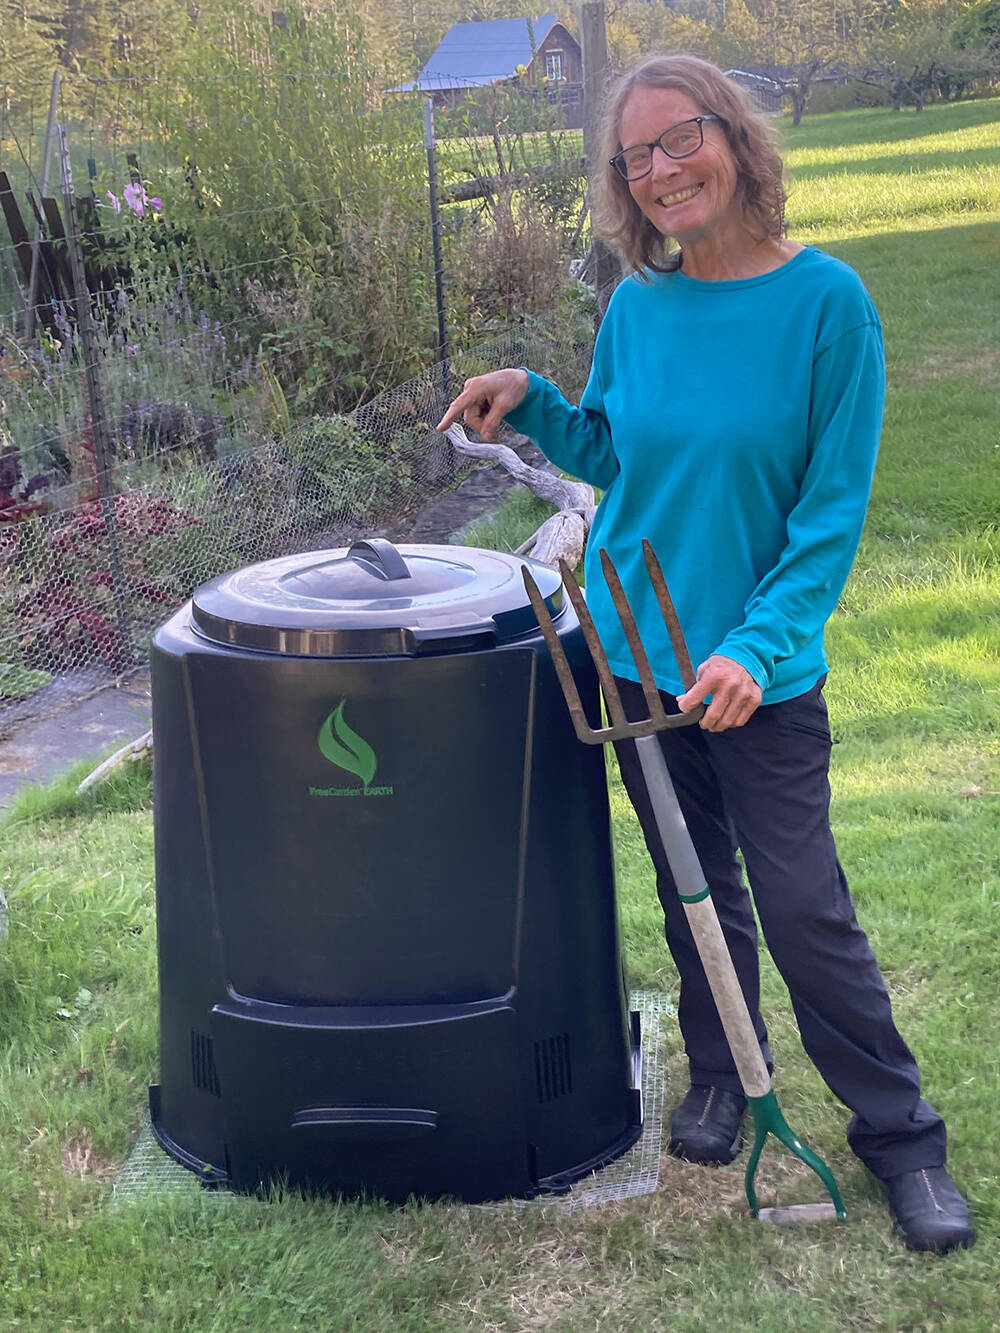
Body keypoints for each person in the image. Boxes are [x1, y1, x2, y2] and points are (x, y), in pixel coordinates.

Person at [437, 53, 975, 1253]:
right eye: (636, 156)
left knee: (802, 905)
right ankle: (728, 1071)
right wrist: (533, 397)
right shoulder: (638, 305)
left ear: (732, 138)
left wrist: (758, 647)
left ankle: (900, 1136)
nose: (661, 170)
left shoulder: (828, 306)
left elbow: (828, 515)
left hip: (756, 675)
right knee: (694, 890)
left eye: (680, 139)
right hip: (634, 653)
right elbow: (615, 456)